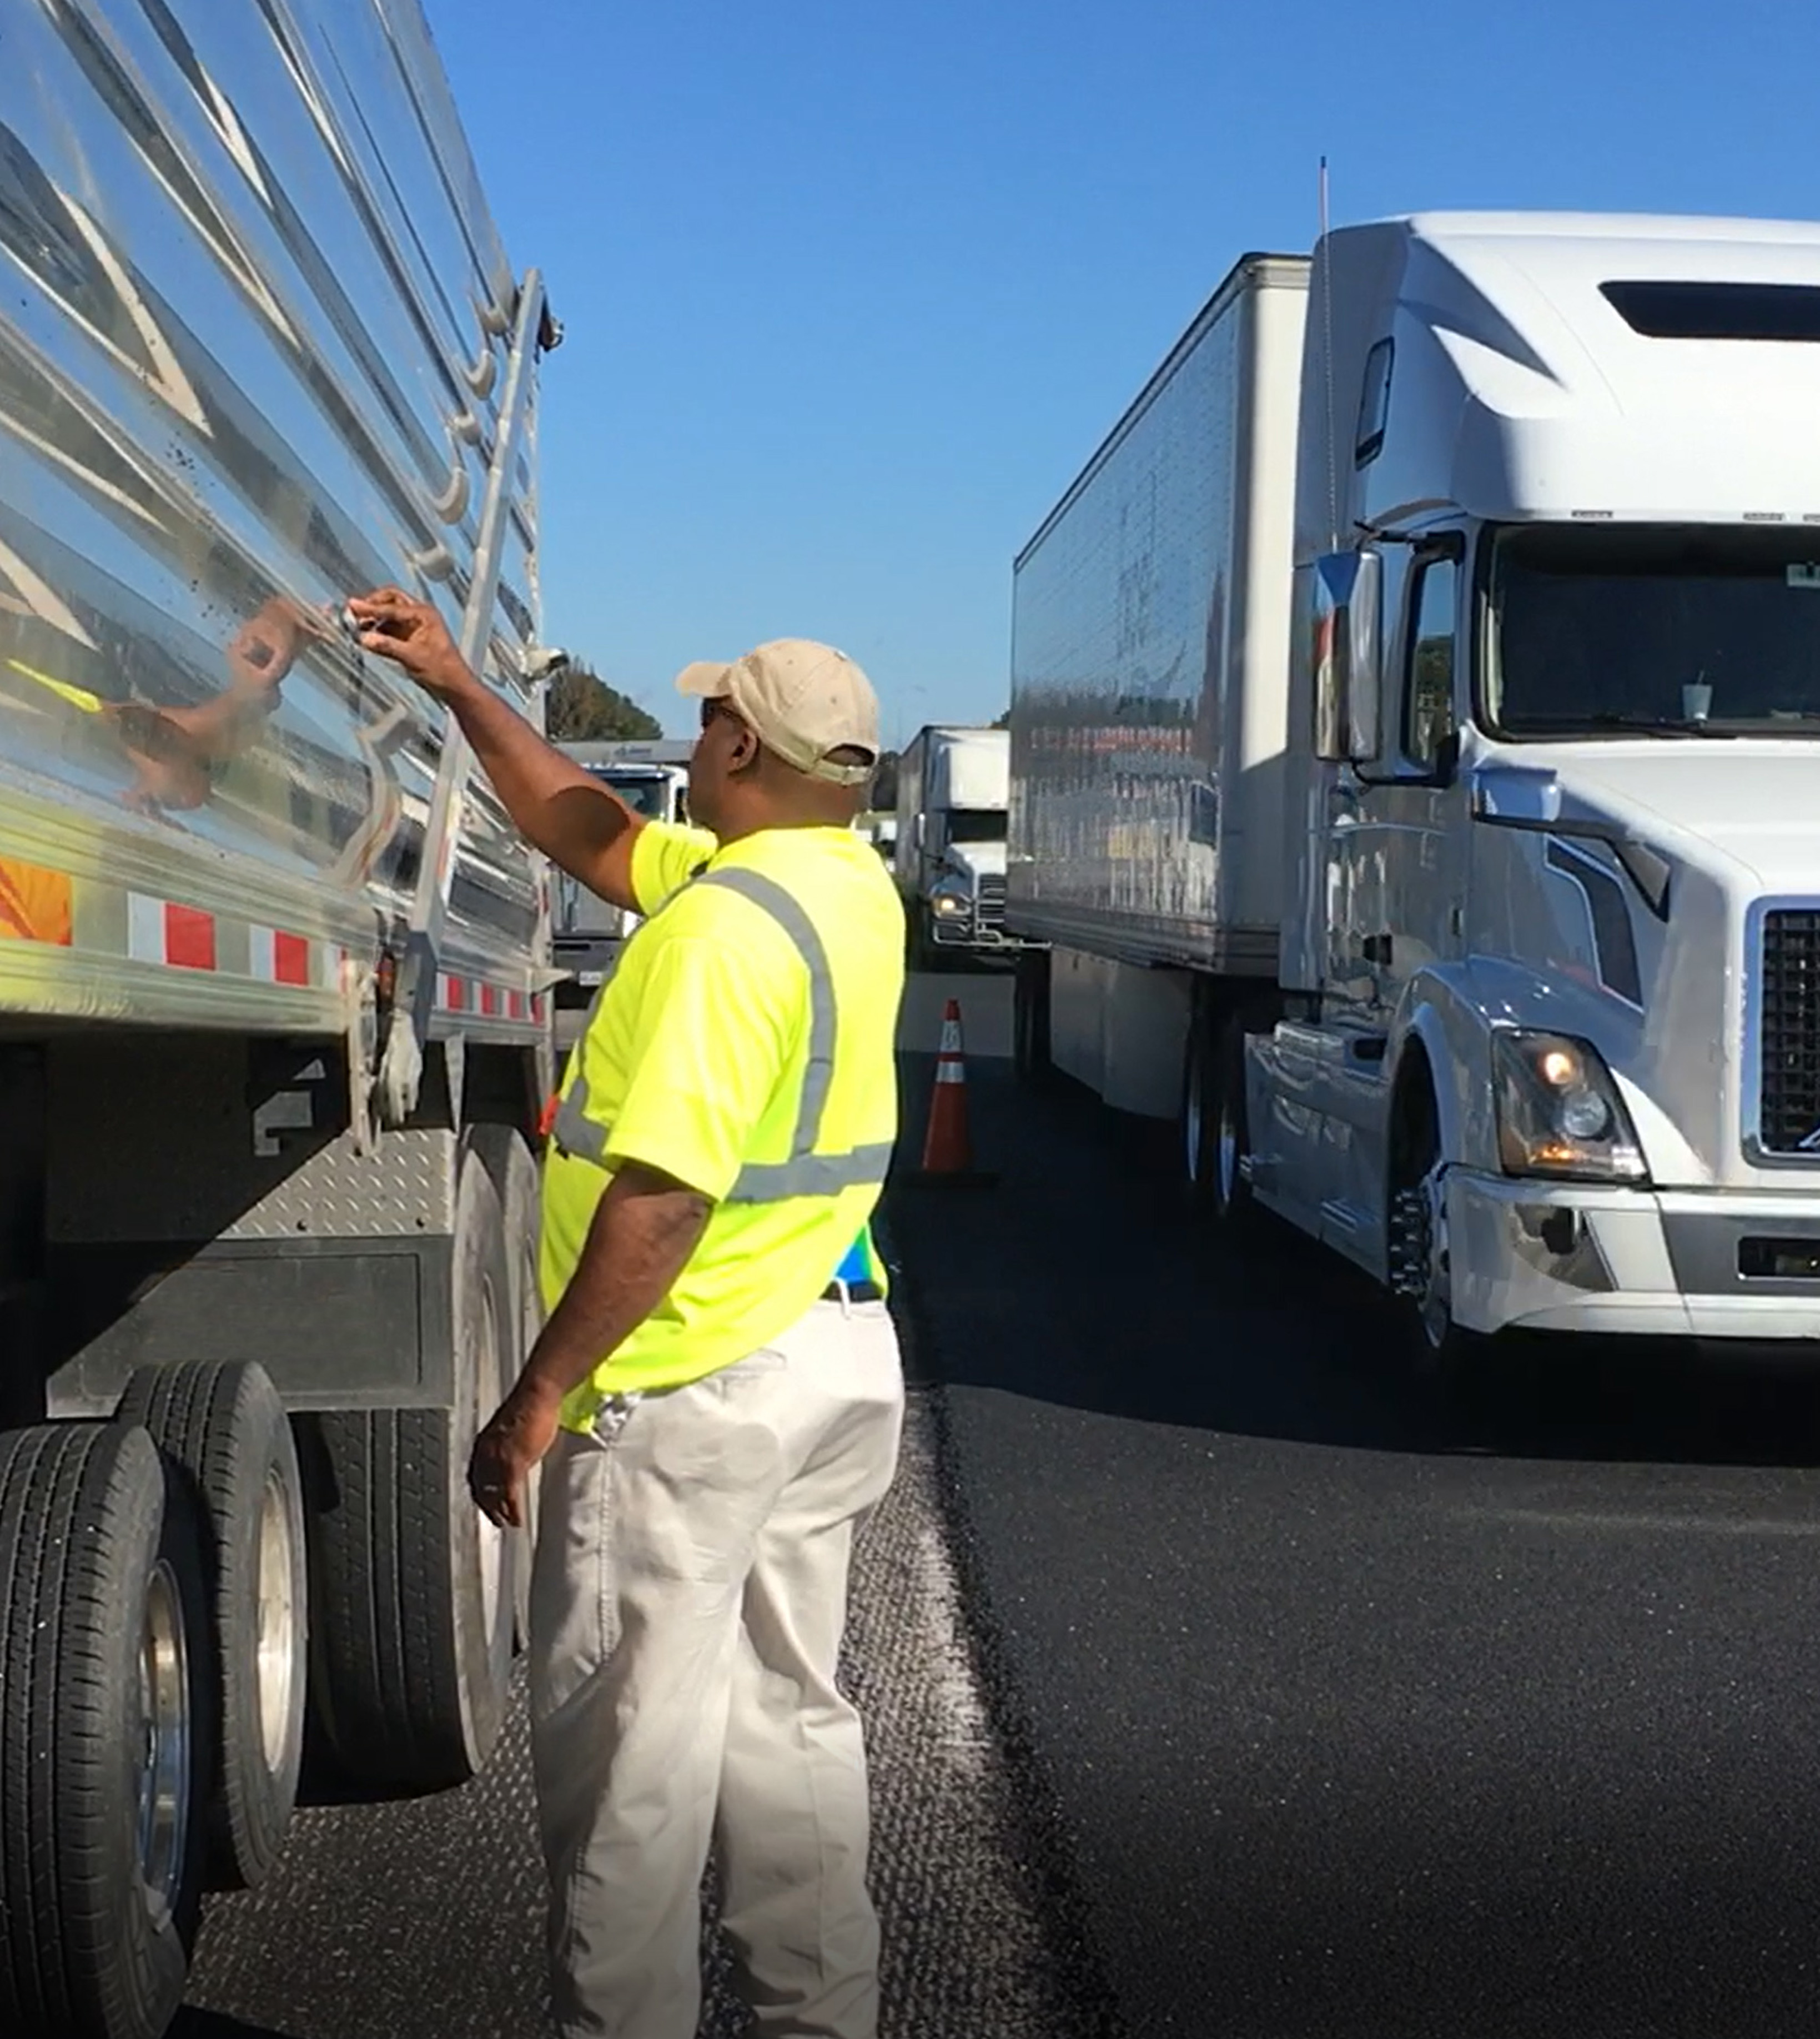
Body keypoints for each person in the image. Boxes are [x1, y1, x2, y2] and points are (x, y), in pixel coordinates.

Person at [346, 590, 907, 2039]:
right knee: (792, 1742)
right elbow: (589, 831)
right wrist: (464, 684)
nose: (700, 733)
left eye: (714, 716)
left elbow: (660, 1198)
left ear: (739, 747)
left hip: (692, 1387)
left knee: (630, 1802)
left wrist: (537, 1397)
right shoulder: (839, 887)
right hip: (825, 1354)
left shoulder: (725, 933)